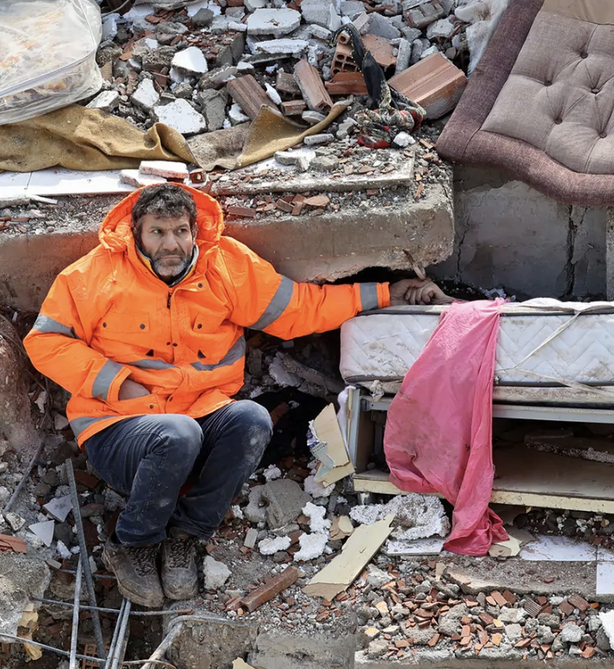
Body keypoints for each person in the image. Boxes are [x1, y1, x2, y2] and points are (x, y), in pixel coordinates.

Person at [24, 182, 449, 606]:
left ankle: (185, 537)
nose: (171, 244)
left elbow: (299, 309)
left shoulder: (225, 265)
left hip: (198, 419)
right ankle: (133, 544)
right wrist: (118, 383)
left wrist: (386, 294)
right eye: (157, 232)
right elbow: (44, 343)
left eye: (180, 231)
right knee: (177, 434)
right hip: (119, 428)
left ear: (194, 231)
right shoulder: (95, 273)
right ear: (137, 233)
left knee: (251, 419)